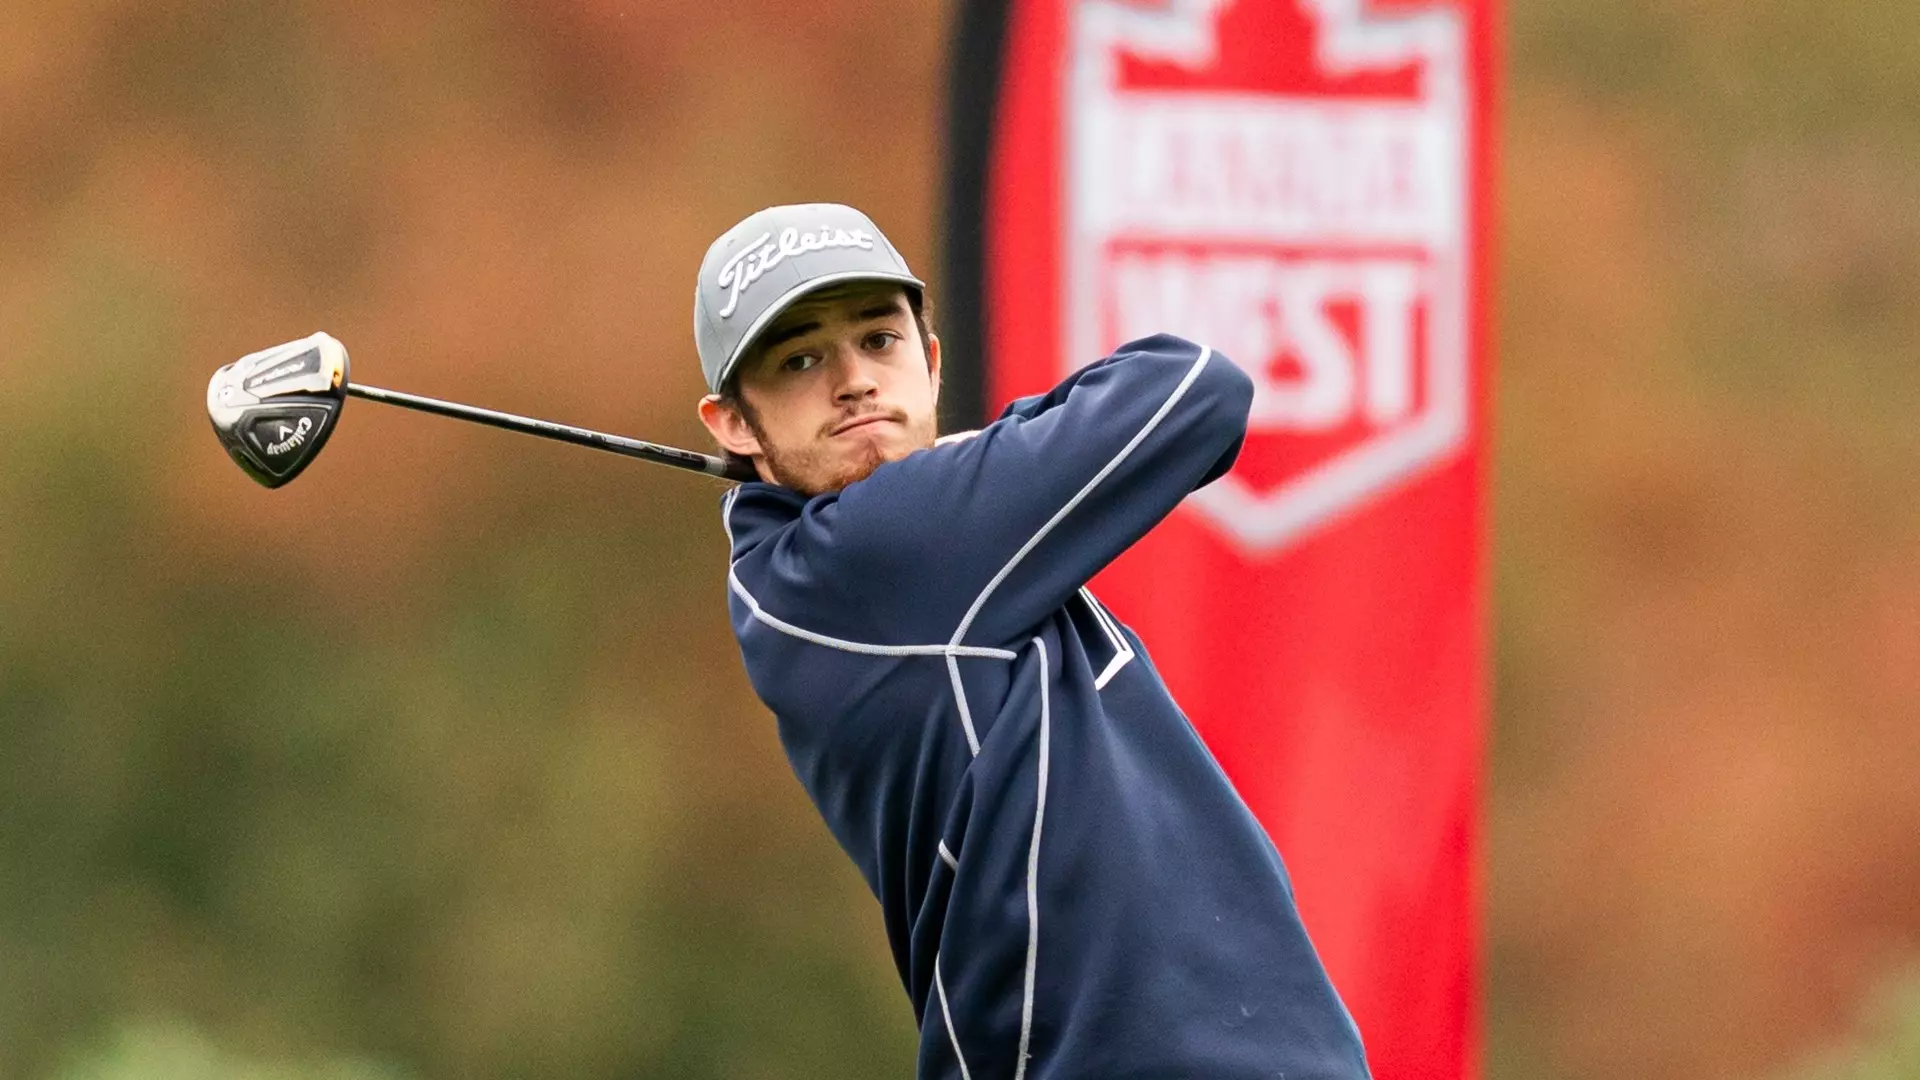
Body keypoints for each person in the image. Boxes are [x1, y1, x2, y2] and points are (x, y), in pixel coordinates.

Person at [693, 202, 1370, 1079]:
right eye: (801, 359)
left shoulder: (845, 569)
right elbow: (1196, 386)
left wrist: (980, 459)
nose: (855, 380)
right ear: (733, 425)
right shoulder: (880, 557)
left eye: (880, 341)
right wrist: (998, 443)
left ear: (931, 363)